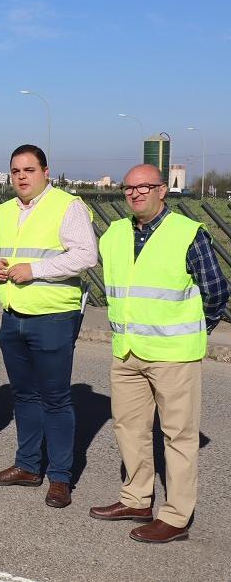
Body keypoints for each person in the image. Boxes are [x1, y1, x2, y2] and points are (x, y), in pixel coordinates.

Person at [89, 164, 228, 543]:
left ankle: (177, 517)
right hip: (127, 352)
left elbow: (217, 292)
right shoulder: (115, 234)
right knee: (129, 428)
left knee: (178, 437)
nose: (134, 193)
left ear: (162, 191)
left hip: (174, 355)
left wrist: (198, 329)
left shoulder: (187, 234)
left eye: (144, 187)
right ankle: (136, 498)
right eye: (128, 187)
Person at [0, 144, 97, 509]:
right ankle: (29, 465)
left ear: (46, 171)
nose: (21, 177)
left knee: (56, 398)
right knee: (24, 396)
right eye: (15, 171)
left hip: (53, 318)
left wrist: (36, 270)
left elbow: (85, 255)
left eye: (29, 170)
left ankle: (60, 477)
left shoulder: (66, 205)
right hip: (13, 316)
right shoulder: (3, 210)